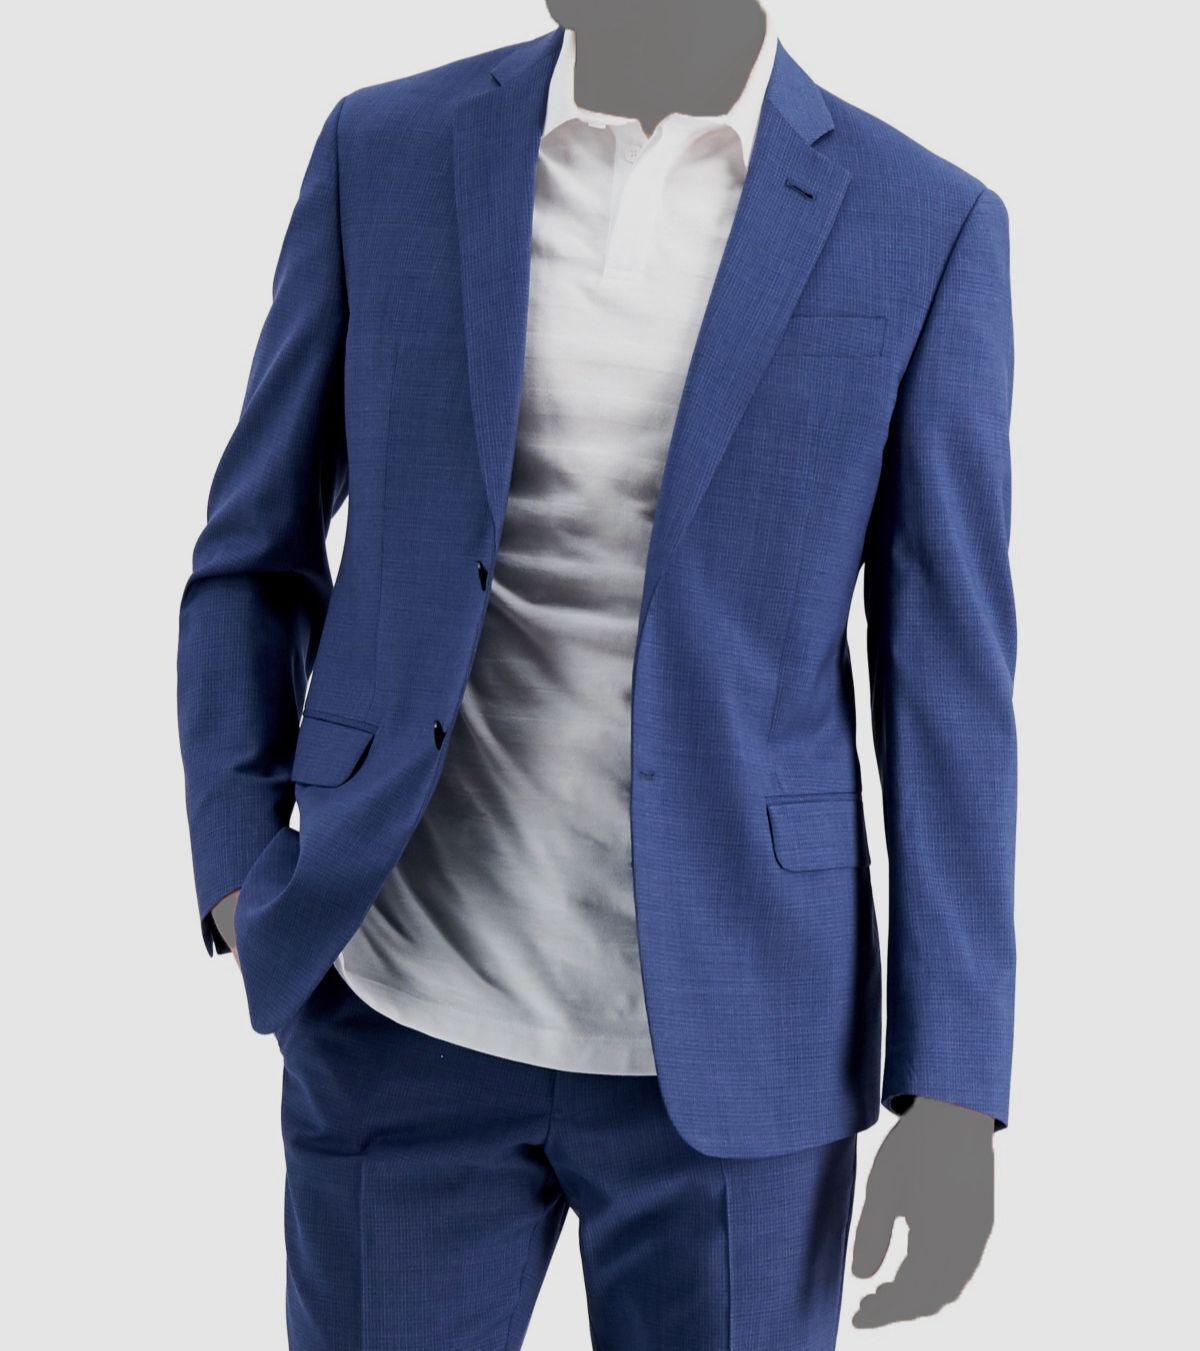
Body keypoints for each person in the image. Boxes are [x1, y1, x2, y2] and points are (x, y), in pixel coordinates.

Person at [177, 1, 1017, 1344]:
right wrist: (239, 867)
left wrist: (955, 1085)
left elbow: (948, 678)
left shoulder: (924, 223)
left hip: (745, 1041)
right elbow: (254, 547)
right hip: (395, 1015)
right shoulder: (385, 150)